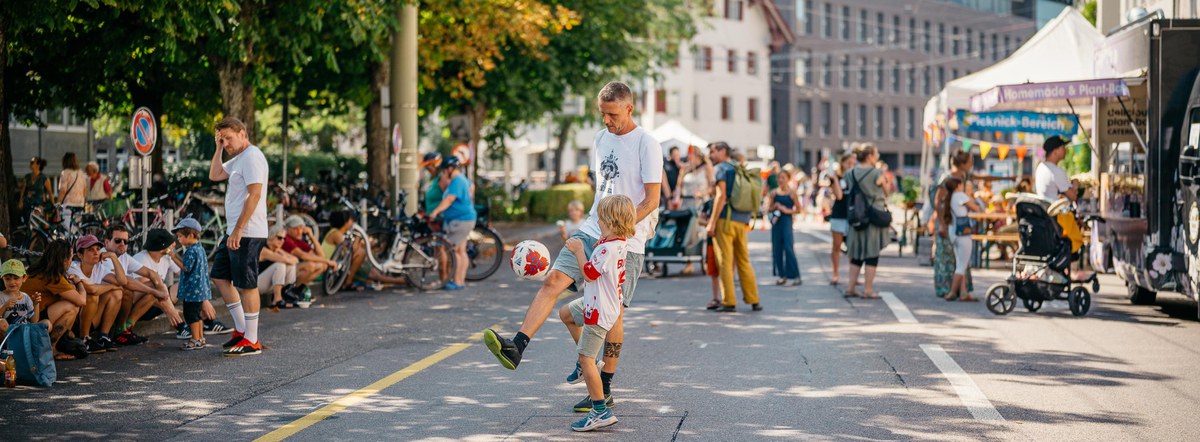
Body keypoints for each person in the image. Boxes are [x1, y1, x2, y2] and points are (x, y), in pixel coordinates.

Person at [483, 81, 662, 415]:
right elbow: (604, 186)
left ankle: (604, 385)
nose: (607, 120)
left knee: (614, 313)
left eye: (612, 114)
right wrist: (598, 221)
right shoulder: (599, 138)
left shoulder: (647, 144)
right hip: (594, 225)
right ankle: (516, 347)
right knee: (553, 281)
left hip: (628, 239)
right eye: (603, 114)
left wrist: (621, 229)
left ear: (629, 108)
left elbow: (652, 199)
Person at [557, 195, 634, 432]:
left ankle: (600, 410)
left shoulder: (607, 249)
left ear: (611, 221)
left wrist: (579, 250)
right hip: (597, 301)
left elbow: (589, 274)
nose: (598, 221)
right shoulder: (617, 242)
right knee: (566, 313)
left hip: (598, 310)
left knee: (586, 357)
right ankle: (587, 364)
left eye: (601, 218)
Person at [208, 116, 269, 356]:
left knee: (247, 283)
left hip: (247, 232)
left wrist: (239, 229)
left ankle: (252, 341)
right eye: (222, 139)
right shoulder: (237, 159)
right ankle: (242, 330)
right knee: (220, 276)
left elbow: (254, 195)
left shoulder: (252, 157)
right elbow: (214, 175)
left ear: (243, 133)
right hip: (234, 231)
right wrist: (218, 148)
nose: (226, 143)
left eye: (229, 138)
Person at [706, 141, 761, 312]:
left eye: (713, 151)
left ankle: (728, 301)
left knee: (725, 262)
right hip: (742, 220)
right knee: (744, 260)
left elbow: (720, 196)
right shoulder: (738, 166)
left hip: (726, 221)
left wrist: (712, 222)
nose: (711, 155)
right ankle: (754, 299)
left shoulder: (722, 168)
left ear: (723, 151)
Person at [104, 225, 174, 346]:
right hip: (105, 303)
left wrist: (168, 304)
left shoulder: (124, 257)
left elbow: (151, 273)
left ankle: (126, 328)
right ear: (106, 242)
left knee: (154, 284)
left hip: (120, 302)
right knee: (127, 290)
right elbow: (124, 281)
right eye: (117, 240)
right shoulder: (103, 256)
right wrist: (156, 293)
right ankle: (119, 331)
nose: (122, 244)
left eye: (125, 241)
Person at [20, 240, 86, 360]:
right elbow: (81, 301)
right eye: (71, 257)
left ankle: (60, 341)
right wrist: (79, 282)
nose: (71, 261)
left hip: (26, 314)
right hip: (31, 319)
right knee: (71, 307)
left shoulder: (39, 269)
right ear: (64, 260)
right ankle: (52, 348)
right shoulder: (52, 275)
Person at [844, 144, 890, 299]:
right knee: (872, 253)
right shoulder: (877, 172)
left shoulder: (850, 173)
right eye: (876, 153)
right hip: (872, 216)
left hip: (856, 215)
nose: (878, 156)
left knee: (856, 253)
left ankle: (851, 287)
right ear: (870, 156)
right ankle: (868, 289)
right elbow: (886, 191)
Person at [321, 211, 408, 291]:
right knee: (362, 256)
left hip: (338, 265)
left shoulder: (338, 233)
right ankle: (347, 283)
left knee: (372, 274)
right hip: (331, 267)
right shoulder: (336, 233)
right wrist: (358, 237)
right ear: (346, 222)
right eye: (351, 220)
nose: (352, 222)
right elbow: (351, 251)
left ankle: (401, 280)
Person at [69, 235, 127, 353]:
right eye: (90, 250)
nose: (96, 253)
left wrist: (113, 257)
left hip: (92, 318)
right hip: (75, 322)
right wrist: (113, 286)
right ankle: (84, 338)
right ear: (80, 255)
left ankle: (104, 336)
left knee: (116, 293)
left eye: (97, 249)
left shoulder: (98, 267)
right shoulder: (73, 268)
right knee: (93, 296)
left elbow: (123, 281)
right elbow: (92, 290)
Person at [929, 151, 975, 299]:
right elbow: (937, 202)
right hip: (948, 223)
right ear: (963, 163)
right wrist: (942, 223)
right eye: (970, 161)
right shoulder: (947, 178)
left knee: (961, 258)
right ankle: (948, 289)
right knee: (947, 257)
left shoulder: (963, 176)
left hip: (957, 224)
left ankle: (962, 291)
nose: (972, 164)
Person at [428, 155, 476, 290]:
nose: (443, 173)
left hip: (460, 220)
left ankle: (457, 281)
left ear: (450, 169)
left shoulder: (457, 181)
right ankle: (460, 281)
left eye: (444, 171)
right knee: (461, 251)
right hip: (465, 218)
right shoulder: (463, 180)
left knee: (454, 250)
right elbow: (472, 188)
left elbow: (449, 199)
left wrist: (435, 212)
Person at [939, 177, 981, 302]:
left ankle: (963, 292)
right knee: (962, 265)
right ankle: (952, 292)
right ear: (958, 185)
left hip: (954, 233)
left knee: (960, 263)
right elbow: (976, 207)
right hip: (963, 234)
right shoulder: (960, 195)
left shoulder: (950, 197)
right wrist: (970, 196)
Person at [172, 219, 212, 350]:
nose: (179, 239)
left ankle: (195, 339)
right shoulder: (200, 249)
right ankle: (200, 338)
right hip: (200, 290)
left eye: (180, 236)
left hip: (192, 290)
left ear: (190, 235)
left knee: (190, 315)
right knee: (197, 314)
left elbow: (185, 267)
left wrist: (173, 256)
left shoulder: (190, 251)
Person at [282, 215, 336, 300]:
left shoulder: (298, 241)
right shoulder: (285, 239)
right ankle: (292, 290)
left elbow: (320, 256)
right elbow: (304, 256)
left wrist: (312, 237)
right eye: (295, 229)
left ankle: (297, 290)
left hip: (291, 270)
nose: (299, 231)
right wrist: (328, 261)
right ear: (288, 229)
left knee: (323, 265)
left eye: (301, 228)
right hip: (283, 271)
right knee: (310, 265)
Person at [770, 169, 802, 286]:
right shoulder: (774, 193)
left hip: (786, 221)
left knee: (788, 248)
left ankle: (795, 275)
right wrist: (774, 206)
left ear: (788, 179)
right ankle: (781, 275)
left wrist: (786, 210)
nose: (780, 180)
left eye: (783, 178)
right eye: (779, 178)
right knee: (777, 249)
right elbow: (769, 208)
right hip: (776, 222)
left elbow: (799, 209)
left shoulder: (792, 193)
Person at [828, 153, 855, 285]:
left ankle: (853, 276)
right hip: (838, 215)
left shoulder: (855, 177)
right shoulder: (836, 178)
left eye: (853, 163)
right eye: (848, 162)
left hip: (852, 215)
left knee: (852, 247)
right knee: (836, 246)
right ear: (842, 162)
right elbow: (838, 196)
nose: (850, 165)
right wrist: (836, 179)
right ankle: (835, 274)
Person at [1, 260, 46, 338]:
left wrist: (36, 304)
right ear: (2, 279)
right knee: (1, 323)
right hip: (7, 334)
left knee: (47, 323)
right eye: (8, 279)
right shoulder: (1, 296)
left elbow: (34, 320)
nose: (12, 282)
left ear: (24, 278)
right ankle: (11, 344)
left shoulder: (25, 297)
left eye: (16, 278)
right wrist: (4, 307)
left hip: (24, 330)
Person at [260, 226, 299, 309]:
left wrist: (281, 253)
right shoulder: (264, 250)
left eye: (284, 239)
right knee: (280, 265)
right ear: (271, 236)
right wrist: (284, 256)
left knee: (291, 266)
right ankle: (277, 300)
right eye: (279, 238)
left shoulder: (276, 249)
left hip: (266, 284)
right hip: (255, 285)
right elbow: (286, 260)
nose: (282, 241)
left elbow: (295, 260)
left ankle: (285, 294)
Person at [1035, 136, 1077, 202]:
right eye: (1063, 147)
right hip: (1055, 210)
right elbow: (1073, 197)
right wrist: (1075, 185)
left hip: (1044, 209)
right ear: (1055, 151)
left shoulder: (1040, 167)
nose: (1065, 150)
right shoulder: (1056, 171)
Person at [58, 152, 87, 228]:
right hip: (80, 204)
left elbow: (63, 190)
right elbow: (84, 189)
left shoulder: (65, 173)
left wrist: (58, 204)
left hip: (69, 205)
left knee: (68, 228)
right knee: (77, 228)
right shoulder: (80, 173)